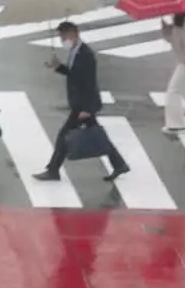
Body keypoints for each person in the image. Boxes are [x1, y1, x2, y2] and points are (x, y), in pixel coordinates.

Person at [34, 22, 130, 183]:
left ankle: (53, 170)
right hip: (81, 104)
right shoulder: (75, 51)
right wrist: (58, 67)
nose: (62, 39)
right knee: (97, 135)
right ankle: (119, 164)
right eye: (61, 36)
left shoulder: (86, 54)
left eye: (64, 36)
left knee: (64, 136)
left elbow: (88, 83)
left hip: (83, 105)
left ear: (74, 34)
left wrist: (87, 108)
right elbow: (74, 75)